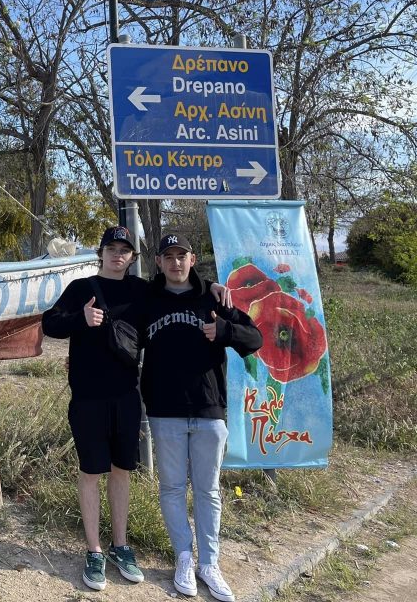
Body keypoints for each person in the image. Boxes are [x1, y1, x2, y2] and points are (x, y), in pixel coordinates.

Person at [42, 226, 230, 592]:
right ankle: (94, 550)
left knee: (122, 471)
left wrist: (213, 288)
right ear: (101, 253)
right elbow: (49, 323)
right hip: (87, 398)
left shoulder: (142, 291)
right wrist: (80, 319)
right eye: (111, 248)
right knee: (90, 472)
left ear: (134, 257)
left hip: (128, 396)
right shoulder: (82, 288)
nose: (117, 255)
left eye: (124, 250)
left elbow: (182, 286)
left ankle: (121, 546)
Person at [139, 234, 261, 602]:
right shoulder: (147, 298)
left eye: (182, 256)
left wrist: (224, 330)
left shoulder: (214, 297)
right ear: (158, 262)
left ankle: (209, 563)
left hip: (209, 409)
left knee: (208, 491)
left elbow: (254, 339)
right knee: (173, 488)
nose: (176, 263)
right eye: (168, 257)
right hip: (165, 410)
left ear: (193, 259)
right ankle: (182, 557)